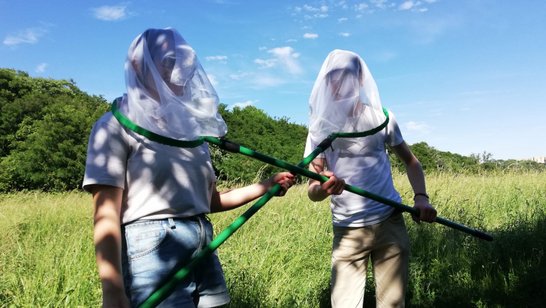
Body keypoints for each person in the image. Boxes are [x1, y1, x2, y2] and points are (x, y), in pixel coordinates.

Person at [83, 28, 294, 307]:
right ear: (139, 66)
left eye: (184, 66)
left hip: (201, 242)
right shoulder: (113, 126)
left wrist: (265, 186)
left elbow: (207, 201)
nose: (179, 74)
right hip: (151, 254)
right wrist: (112, 291)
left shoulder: (190, 133)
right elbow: (106, 214)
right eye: (169, 63)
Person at [304, 49, 437, 307]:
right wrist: (323, 187)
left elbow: (411, 162)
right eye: (333, 77)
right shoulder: (319, 128)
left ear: (360, 79)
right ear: (325, 82)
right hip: (348, 230)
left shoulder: (382, 118)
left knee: (392, 304)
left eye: (347, 76)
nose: (339, 83)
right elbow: (312, 189)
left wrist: (421, 198)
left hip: (390, 221)